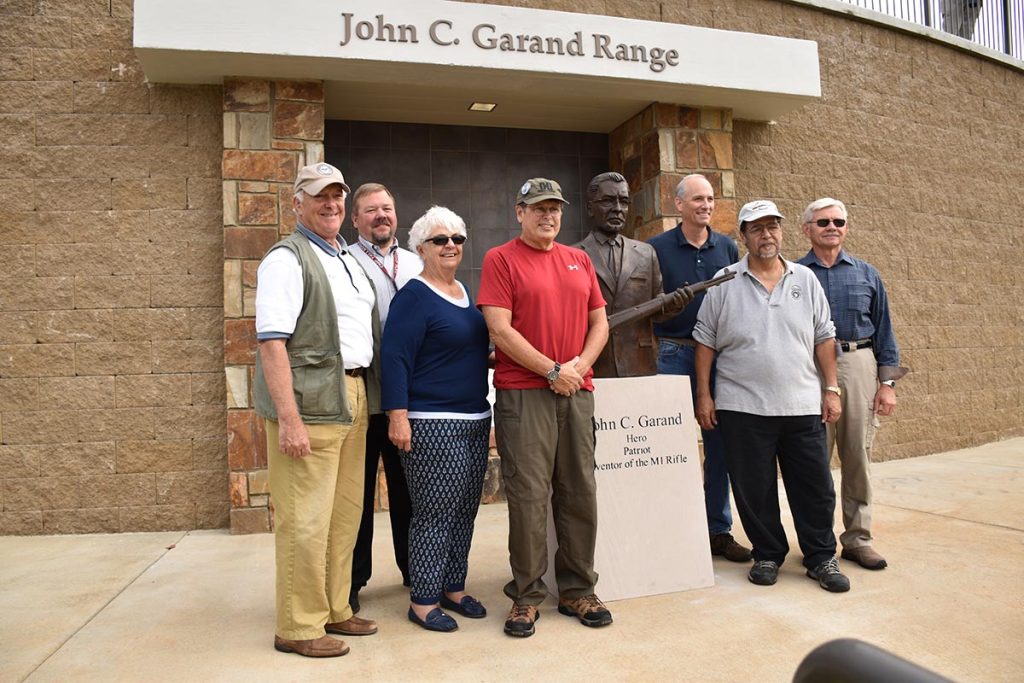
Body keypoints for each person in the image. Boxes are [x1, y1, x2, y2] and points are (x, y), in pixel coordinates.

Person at [253, 162, 381, 657]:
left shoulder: (344, 255)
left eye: (337, 196)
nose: (330, 204)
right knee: (304, 520)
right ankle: (299, 626)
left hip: (352, 396)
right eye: (319, 196)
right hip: (309, 405)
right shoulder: (286, 259)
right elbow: (271, 344)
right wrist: (288, 419)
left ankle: (334, 609)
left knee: (344, 516)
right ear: (297, 203)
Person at [693, 200, 851, 593]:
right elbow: (705, 343)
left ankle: (821, 557)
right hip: (742, 406)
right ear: (743, 236)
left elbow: (824, 337)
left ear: (782, 231)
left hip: (801, 403)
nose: (767, 235)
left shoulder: (805, 279)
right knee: (753, 487)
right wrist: (704, 397)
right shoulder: (724, 281)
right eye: (757, 228)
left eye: (772, 227)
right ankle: (768, 553)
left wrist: (830, 389)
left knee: (814, 486)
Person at [478, 178, 611, 638]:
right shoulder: (501, 259)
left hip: (577, 390)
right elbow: (500, 330)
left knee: (579, 491)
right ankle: (527, 596)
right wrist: (553, 371)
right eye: (537, 208)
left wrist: (578, 367)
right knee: (530, 497)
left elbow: (600, 322)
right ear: (520, 212)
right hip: (525, 393)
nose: (547, 216)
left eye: (554, 208)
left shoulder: (579, 259)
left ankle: (577, 589)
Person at [381, 206, 492, 633]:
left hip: (475, 417)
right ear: (421, 248)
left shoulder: (464, 291)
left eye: (457, 239)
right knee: (433, 512)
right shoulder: (413, 295)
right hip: (431, 421)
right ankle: (423, 599)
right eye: (440, 240)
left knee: (465, 509)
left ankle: (453, 586)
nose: (450, 246)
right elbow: (395, 358)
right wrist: (398, 416)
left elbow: (466, 351)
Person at [798, 198, 907, 571]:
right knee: (814, 459)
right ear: (807, 229)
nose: (832, 227)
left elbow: (886, 332)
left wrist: (887, 383)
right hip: (809, 368)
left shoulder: (866, 274)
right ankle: (820, 543)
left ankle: (858, 539)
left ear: (846, 228)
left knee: (857, 454)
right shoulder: (794, 274)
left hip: (860, 362)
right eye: (823, 221)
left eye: (838, 221)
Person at [648, 174, 751, 563]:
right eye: (697, 199)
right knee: (668, 447)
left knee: (719, 446)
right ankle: (671, 530)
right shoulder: (655, 249)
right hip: (671, 354)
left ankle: (717, 531)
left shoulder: (727, 247)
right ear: (679, 204)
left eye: (709, 199)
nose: (705, 205)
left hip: (718, 357)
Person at [348, 183, 422, 611]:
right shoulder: (346, 263)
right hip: (364, 395)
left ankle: (416, 572)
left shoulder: (416, 263)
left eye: (387, 208)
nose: (381, 215)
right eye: (370, 210)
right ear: (355, 219)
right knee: (355, 497)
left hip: (410, 399)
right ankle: (352, 583)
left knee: (408, 492)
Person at [573, 171, 687, 377]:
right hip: (592, 363)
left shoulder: (646, 252)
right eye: (608, 201)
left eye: (624, 202)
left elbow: (656, 305)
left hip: (639, 362)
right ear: (590, 207)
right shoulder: (571, 256)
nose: (617, 209)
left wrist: (674, 305)